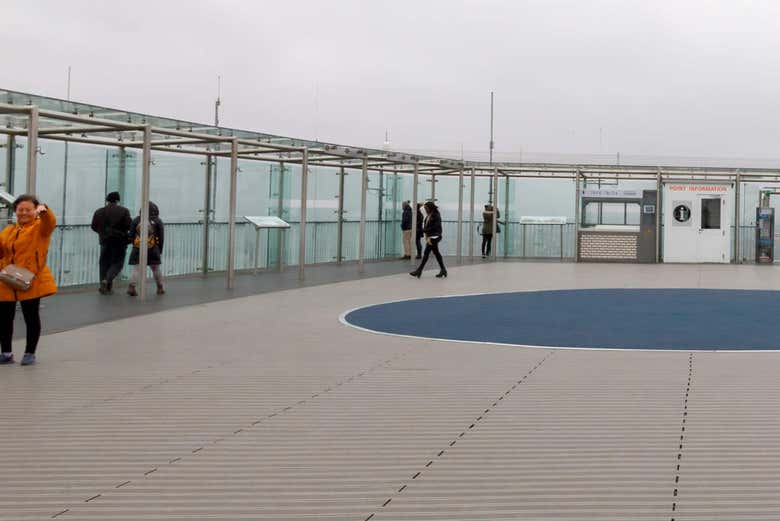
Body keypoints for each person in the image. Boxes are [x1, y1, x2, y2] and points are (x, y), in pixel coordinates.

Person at [0, 195, 57, 366]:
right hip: (8, 278)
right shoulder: (9, 230)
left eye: (28, 209)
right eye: (20, 209)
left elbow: (50, 222)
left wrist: (44, 210)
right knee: (4, 318)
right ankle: (6, 353)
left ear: (35, 211)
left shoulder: (40, 228)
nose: (24, 213)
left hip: (30, 278)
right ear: (15, 211)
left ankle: (29, 352)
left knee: (31, 316)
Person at [91, 191, 131, 294]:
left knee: (104, 263)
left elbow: (94, 226)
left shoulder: (98, 211)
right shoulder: (124, 211)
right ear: (117, 200)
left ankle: (105, 287)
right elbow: (128, 225)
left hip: (104, 240)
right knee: (117, 263)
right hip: (119, 241)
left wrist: (102, 233)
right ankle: (107, 281)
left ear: (107, 200)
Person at [126, 202, 165, 296]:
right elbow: (161, 237)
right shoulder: (158, 220)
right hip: (153, 248)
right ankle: (160, 287)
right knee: (155, 268)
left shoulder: (136, 220)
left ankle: (132, 287)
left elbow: (131, 236)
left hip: (138, 248)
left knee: (137, 269)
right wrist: (159, 250)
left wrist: (135, 244)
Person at [410, 201, 447, 279]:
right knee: (436, 253)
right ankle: (443, 270)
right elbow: (427, 225)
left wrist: (424, 230)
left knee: (426, 253)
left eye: (426, 208)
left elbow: (436, 226)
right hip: (430, 237)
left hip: (435, 237)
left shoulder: (436, 215)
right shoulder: (429, 216)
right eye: (425, 208)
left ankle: (419, 271)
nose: (425, 210)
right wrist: (424, 230)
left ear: (430, 208)